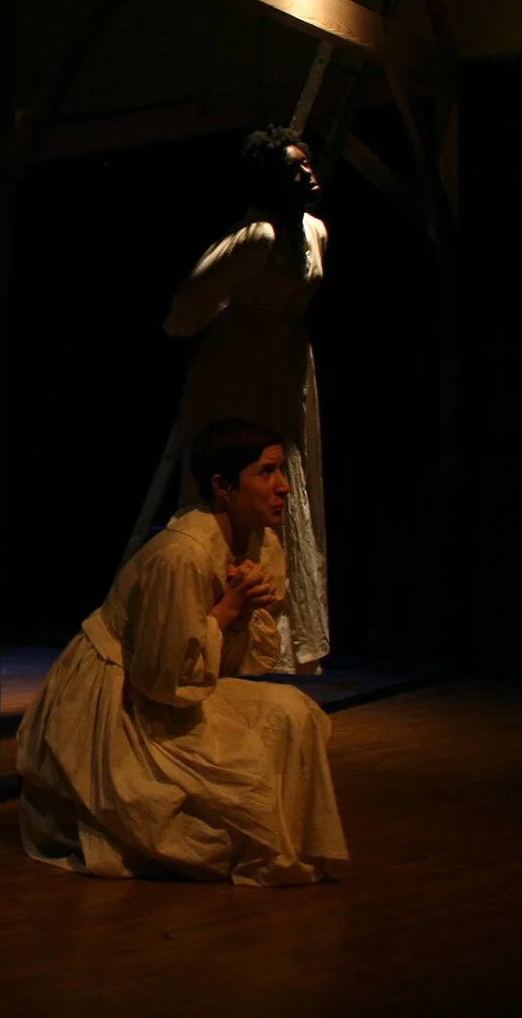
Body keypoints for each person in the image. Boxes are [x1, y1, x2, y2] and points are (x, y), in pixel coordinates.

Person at [15, 419, 349, 886]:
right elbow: (163, 681)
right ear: (223, 486)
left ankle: (285, 844)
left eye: (281, 471)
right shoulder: (182, 555)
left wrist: (244, 614)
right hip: (120, 697)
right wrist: (229, 611)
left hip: (175, 687)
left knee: (292, 711)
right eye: (266, 472)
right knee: (202, 828)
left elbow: (230, 667)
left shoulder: (260, 541)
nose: (284, 487)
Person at [164, 125, 330, 671]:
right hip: (238, 366)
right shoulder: (256, 235)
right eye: (292, 169)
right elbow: (191, 299)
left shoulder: (315, 231)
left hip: (287, 364)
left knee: (283, 481)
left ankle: (273, 640)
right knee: (239, 480)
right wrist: (212, 327)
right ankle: (213, 628)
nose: (306, 174)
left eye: (306, 163)